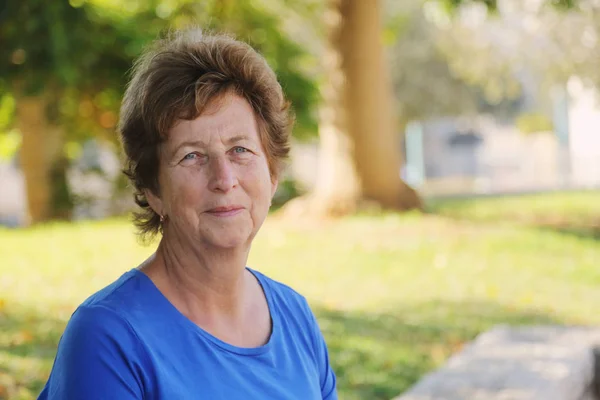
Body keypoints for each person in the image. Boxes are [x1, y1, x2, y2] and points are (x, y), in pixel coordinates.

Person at [38, 29, 338, 399]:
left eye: (240, 150)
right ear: (153, 190)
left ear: (272, 174)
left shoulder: (295, 316)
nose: (224, 179)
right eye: (192, 156)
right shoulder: (109, 337)